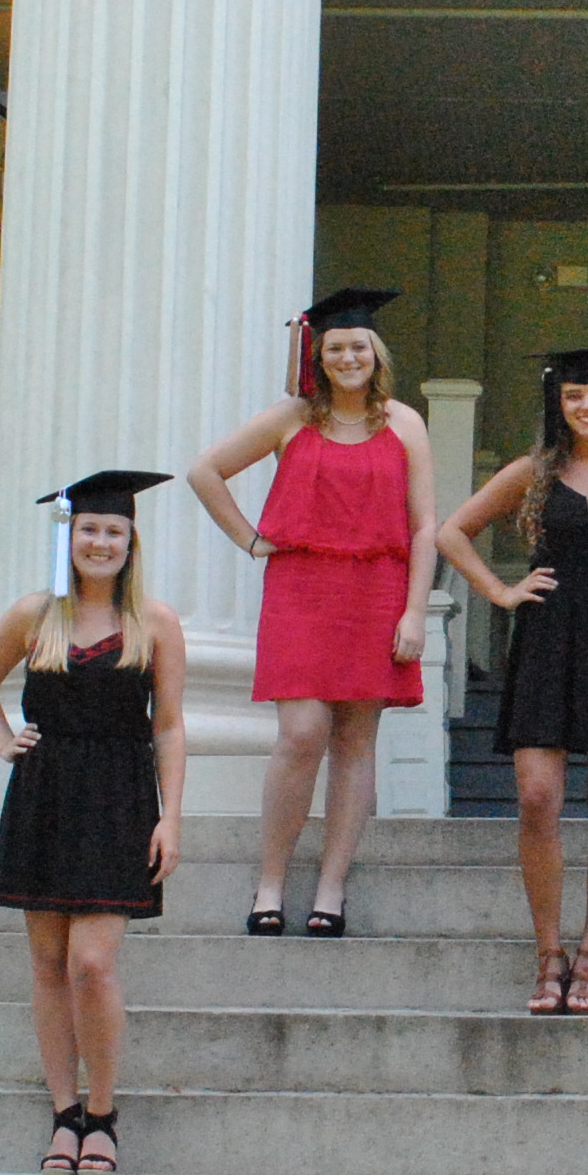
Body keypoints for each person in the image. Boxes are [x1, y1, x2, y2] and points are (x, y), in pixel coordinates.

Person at [0, 470, 187, 1175]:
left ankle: (103, 1114)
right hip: (47, 792)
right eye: (89, 528)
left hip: (121, 796)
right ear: (70, 535)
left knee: (92, 963)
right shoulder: (35, 615)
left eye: (114, 531)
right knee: (49, 963)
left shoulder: (156, 622)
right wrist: (4, 741)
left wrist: (171, 816)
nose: (100, 542)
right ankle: (64, 1115)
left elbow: (169, 726)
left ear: (130, 542)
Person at [186, 287, 437, 939]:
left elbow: (424, 524)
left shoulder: (404, 423)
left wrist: (413, 612)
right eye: (335, 349)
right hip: (301, 589)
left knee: (356, 743)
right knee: (301, 734)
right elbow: (205, 472)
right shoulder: (291, 418)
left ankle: (331, 888)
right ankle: (270, 879)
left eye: (359, 347)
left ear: (376, 354)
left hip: (377, 590)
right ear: (317, 357)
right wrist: (250, 539)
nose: (348, 358)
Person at [436, 346, 588, 1016]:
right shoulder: (533, 473)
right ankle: (549, 953)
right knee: (538, 797)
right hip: (547, 642)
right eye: (574, 395)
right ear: (558, 402)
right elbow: (452, 533)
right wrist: (501, 591)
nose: (587, 405)